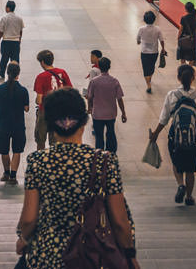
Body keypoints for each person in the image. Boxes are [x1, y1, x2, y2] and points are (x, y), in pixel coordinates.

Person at [16, 88, 138, 269]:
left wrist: (23, 239)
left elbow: (28, 219)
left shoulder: (38, 161)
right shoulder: (104, 161)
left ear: (50, 125)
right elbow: (120, 222)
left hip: (47, 258)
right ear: (84, 122)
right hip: (92, 257)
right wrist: (130, 255)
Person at [148, 65, 196, 206]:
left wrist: (155, 133)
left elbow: (164, 118)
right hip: (195, 141)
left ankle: (180, 184)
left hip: (175, 139)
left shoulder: (172, 95)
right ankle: (189, 197)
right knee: (190, 169)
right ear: (193, 78)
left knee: (177, 164)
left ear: (178, 78)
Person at [0, 62, 30, 186]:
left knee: (4, 150)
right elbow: (26, 108)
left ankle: (6, 173)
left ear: (7, 73)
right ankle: (13, 176)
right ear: (18, 74)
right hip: (18, 125)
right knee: (17, 150)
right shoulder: (23, 90)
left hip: (3, 125)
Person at [32, 50, 72, 150]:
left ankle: (41, 160)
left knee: (40, 140)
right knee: (56, 142)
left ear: (42, 62)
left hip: (45, 111)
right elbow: (70, 91)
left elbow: (39, 100)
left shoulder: (41, 77)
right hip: (59, 112)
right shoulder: (62, 73)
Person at [87, 57, 126, 153]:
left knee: (99, 136)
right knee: (111, 134)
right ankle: (111, 154)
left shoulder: (94, 81)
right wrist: (123, 113)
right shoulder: (114, 81)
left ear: (99, 67)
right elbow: (119, 98)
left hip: (97, 114)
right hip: (110, 114)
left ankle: (99, 156)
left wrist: (89, 108)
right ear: (109, 67)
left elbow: (90, 97)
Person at [137, 10, 167, 94]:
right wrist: (163, 49)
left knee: (145, 68)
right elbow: (161, 40)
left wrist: (138, 42)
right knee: (152, 66)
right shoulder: (157, 29)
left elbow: (138, 39)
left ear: (144, 19)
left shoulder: (141, 29)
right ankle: (149, 79)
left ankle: (148, 85)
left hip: (144, 52)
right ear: (154, 19)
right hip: (154, 52)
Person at [0, 0, 25, 79]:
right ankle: (15, 74)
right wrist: (19, 40)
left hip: (6, 42)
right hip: (15, 42)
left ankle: (2, 72)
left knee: (4, 59)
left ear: (8, 8)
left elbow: (1, 31)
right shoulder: (19, 19)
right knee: (15, 59)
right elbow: (21, 31)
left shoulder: (4, 18)